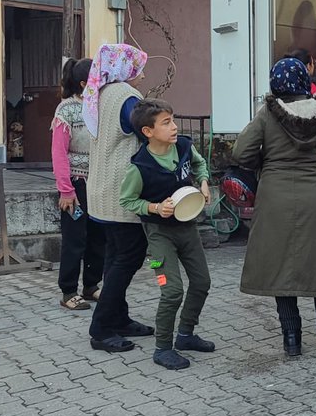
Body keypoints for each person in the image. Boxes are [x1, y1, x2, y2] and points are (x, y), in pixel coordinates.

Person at [234, 58, 316, 360]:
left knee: (281, 265)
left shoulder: (267, 115)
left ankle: (292, 337)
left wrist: (266, 164)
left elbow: (241, 152)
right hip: (315, 193)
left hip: (275, 195)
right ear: (304, 80)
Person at [118, 98, 215, 369]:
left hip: (188, 229)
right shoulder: (140, 166)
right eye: (166, 123)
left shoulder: (183, 146)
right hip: (159, 236)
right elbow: (127, 201)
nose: (174, 127)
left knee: (201, 283)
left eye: (172, 120)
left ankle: (186, 335)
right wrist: (155, 207)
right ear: (148, 132)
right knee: (171, 290)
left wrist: (204, 183)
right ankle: (162, 348)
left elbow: (199, 165)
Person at [83, 43, 155, 353]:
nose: (141, 74)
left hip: (100, 191)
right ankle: (101, 327)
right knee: (129, 257)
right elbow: (148, 133)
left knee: (114, 257)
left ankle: (119, 318)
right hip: (122, 193)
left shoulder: (98, 93)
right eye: (138, 67)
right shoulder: (128, 97)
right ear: (126, 69)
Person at [52, 57, 106, 311]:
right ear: (84, 83)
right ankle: (68, 291)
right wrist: (66, 190)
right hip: (76, 184)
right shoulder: (67, 110)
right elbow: (59, 153)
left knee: (98, 237)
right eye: (98, 80)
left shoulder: (100, 108)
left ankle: (92, 286)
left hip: (98, 183)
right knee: (75, 239)